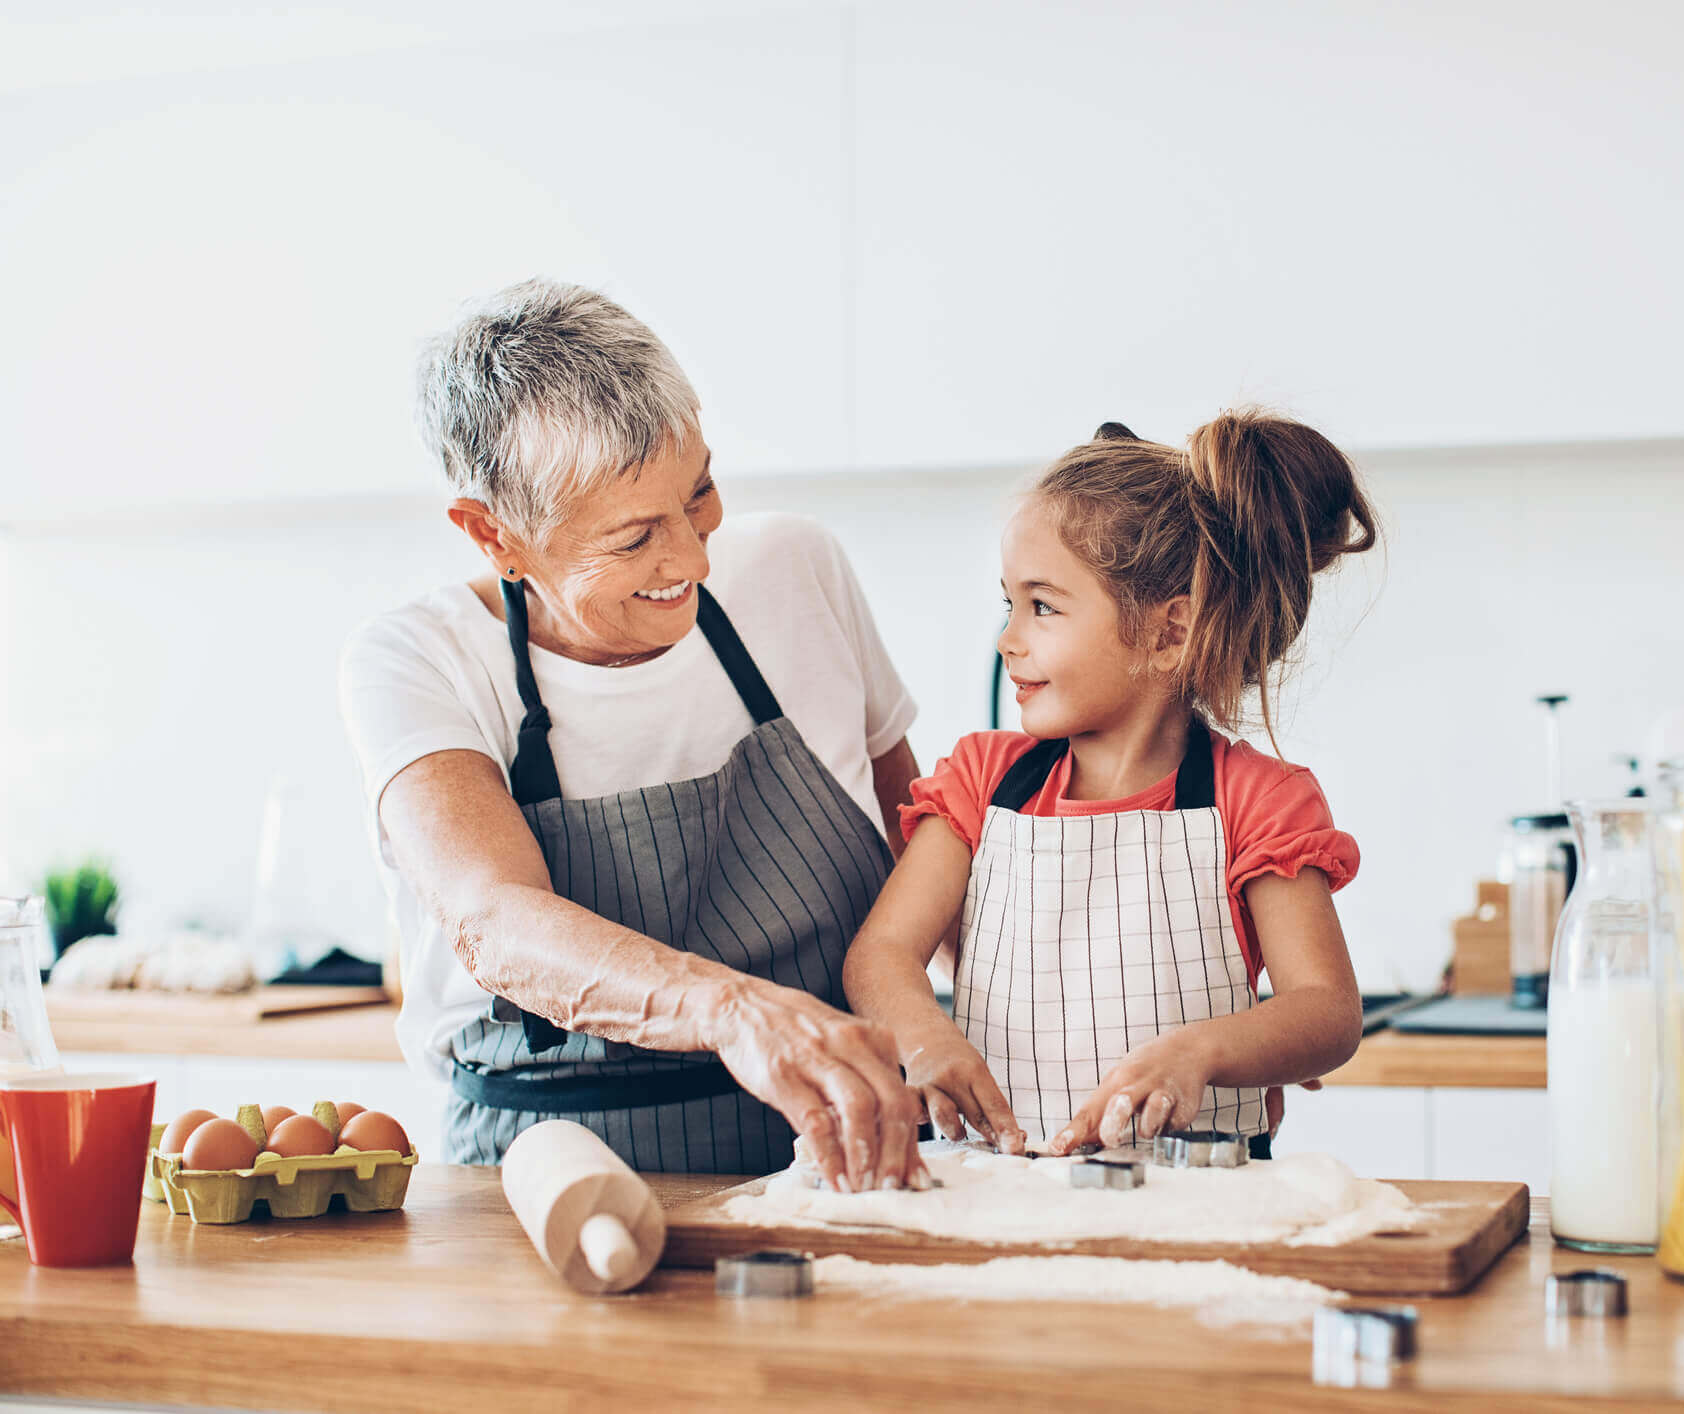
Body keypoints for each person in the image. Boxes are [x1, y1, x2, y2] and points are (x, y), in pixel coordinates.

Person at [339, 279, 924, 1188]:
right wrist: (732, 1012)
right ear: (494, 534)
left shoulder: (795, 568)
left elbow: (917, 839)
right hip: (548, 1177)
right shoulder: (415, 662)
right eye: (634, 536)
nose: (691, 559)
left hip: (844, 1150)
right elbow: (492, 918)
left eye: (699, 495)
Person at [843, 412, 1376, 1157]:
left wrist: (1200, 1052)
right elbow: (881, 954)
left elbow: (1326, 1012)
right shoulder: (981, 781)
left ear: (1169, 633)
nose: (1008, 639)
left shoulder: (1255, 800)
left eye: (1042, 606)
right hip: (1002, 1182)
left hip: (1197, 1192)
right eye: (1009, 603)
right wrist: (925, 1040)